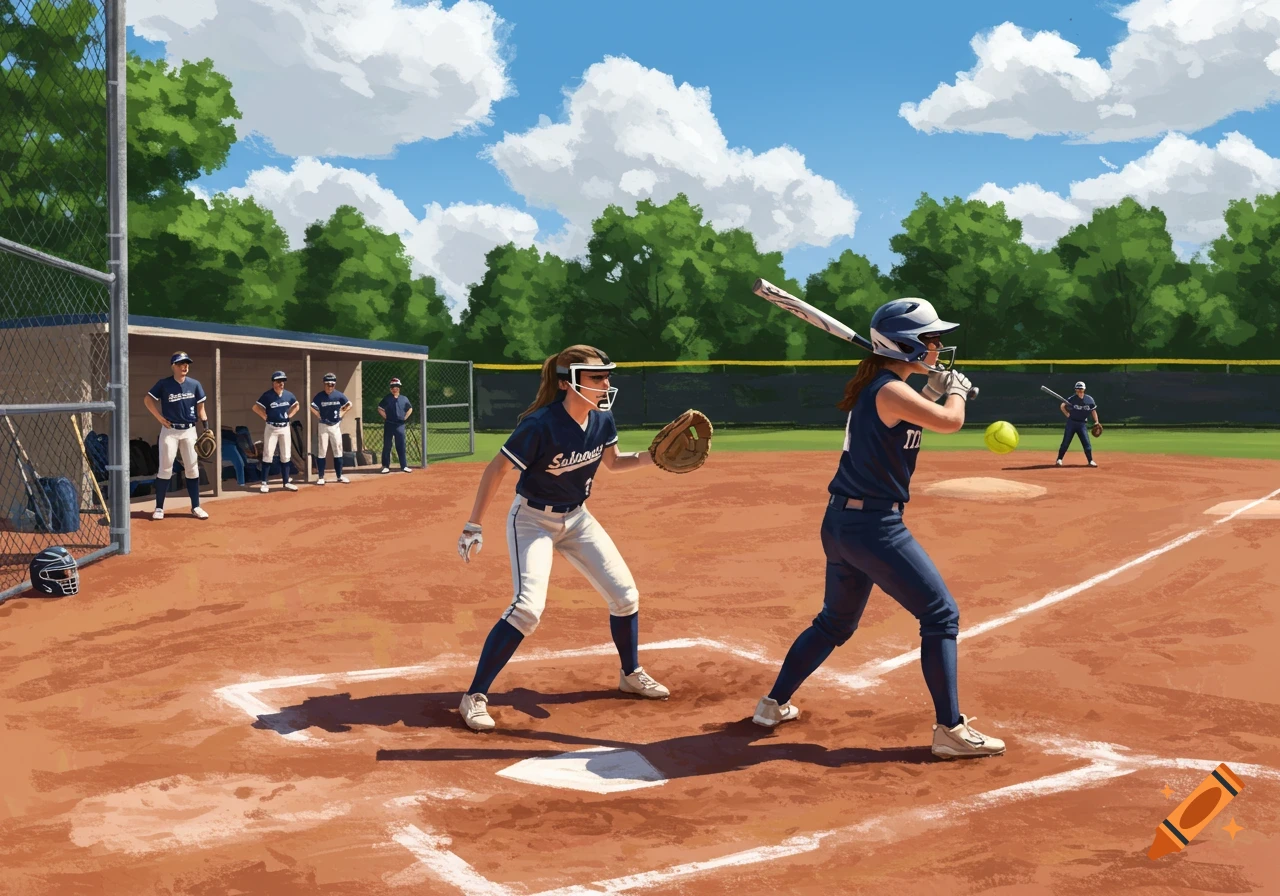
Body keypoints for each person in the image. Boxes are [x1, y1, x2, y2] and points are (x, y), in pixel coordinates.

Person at [751, 299, 1005, 761]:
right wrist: (955, 392)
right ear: (906, 345)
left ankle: (772, 705)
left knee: (835, 623)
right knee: (941, 615)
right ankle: (950, 729)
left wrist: (934, 390)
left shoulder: (887, 389)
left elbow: (914, 413)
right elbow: (950, 422)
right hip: (874, 526)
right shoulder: (888, 390)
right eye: (930, 339)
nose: (938, 347)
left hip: (844, 524)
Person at [454, 344, 667, 731]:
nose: (606, 383)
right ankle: (474, 695)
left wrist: (653, 456)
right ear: (568, 383)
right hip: (532, 520)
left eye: (607, 376)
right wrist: (474, 524)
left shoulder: (602, 418)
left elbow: (614, 462)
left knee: (625, 596)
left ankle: (630, 673)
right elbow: (497, 469)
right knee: (527, 609)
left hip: (577, 518)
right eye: (597, 377)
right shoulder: (540, 424)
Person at [143, 350, 210, 520]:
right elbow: (148, 399)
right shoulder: (164, 384)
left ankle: (196, 506)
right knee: (165, 469)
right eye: (180, 364)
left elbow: (201, 409)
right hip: (170, 431)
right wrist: (159, 418)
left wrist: (206, 428)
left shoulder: (195, 384)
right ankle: (159, 508)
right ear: (173, 366)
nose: (184, 366)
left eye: (186, 364)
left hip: (189, 430)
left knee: (192, 468)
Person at [253, 371, 300, 493]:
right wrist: (265, 417)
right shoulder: (268, 395)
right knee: (268, 454)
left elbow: (296, 405)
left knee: (286, 454)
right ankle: (264, 483)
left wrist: (289, 416)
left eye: (283, 381)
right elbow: (256, 407)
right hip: (272, 427)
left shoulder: (288, 395)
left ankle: (286, 482)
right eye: (279, 381)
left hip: (284, 427)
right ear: (273, 383)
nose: (281, 384)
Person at [310, 372, 352, 485]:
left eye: (332, 385)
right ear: (324, 384)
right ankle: (321, 477)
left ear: (335, 385)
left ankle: (339, 475)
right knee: (322, 450)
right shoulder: (319, 396)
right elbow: (311, 406)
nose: (330, 387)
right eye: (327, 384)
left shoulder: (339, 395)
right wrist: (318, 415)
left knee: (337, 449)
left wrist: (342, 414)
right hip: (323, 425)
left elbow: (349, 404)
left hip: (335, 425)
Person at [1056, 381, 1100, 468]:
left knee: (1086, 443)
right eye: (1078, 389)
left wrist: (1096, 421)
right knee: (1066, 442)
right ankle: (1059, 459)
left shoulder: (1089, 399)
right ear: (1075, 390)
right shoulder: (1072, 399)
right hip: (1071, 423)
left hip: (1082, 424)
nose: (1079, 390)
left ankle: (1090, 460)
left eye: (1081, 389)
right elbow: (1062, 406)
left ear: (1084, 389)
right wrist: (1067, 414)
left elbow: (1093, 411)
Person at [378, 377, 413, 473]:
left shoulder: (404, 399)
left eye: (397, 386)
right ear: (390, 388)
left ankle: (404, 466)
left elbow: (410, 409)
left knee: (401, 445)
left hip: (400, 425)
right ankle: (385, 466)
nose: (395, 388)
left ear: (399, 388)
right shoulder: (387, 398)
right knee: (387, 445)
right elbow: (380, 408)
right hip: (389, 424)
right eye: (393, 387)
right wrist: (386, 417)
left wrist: (405, 417)